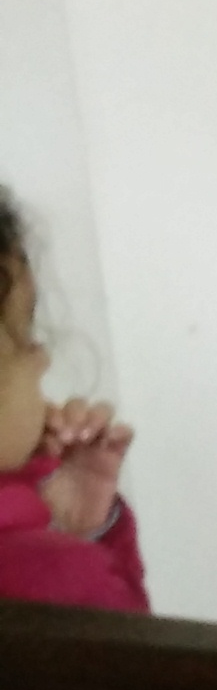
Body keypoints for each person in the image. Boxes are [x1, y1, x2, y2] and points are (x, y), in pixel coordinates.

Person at [0, 188, 146, 615]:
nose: (42, 359)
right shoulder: (59, 577)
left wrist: (74, 526)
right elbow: (147, 668)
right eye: (22, 338)